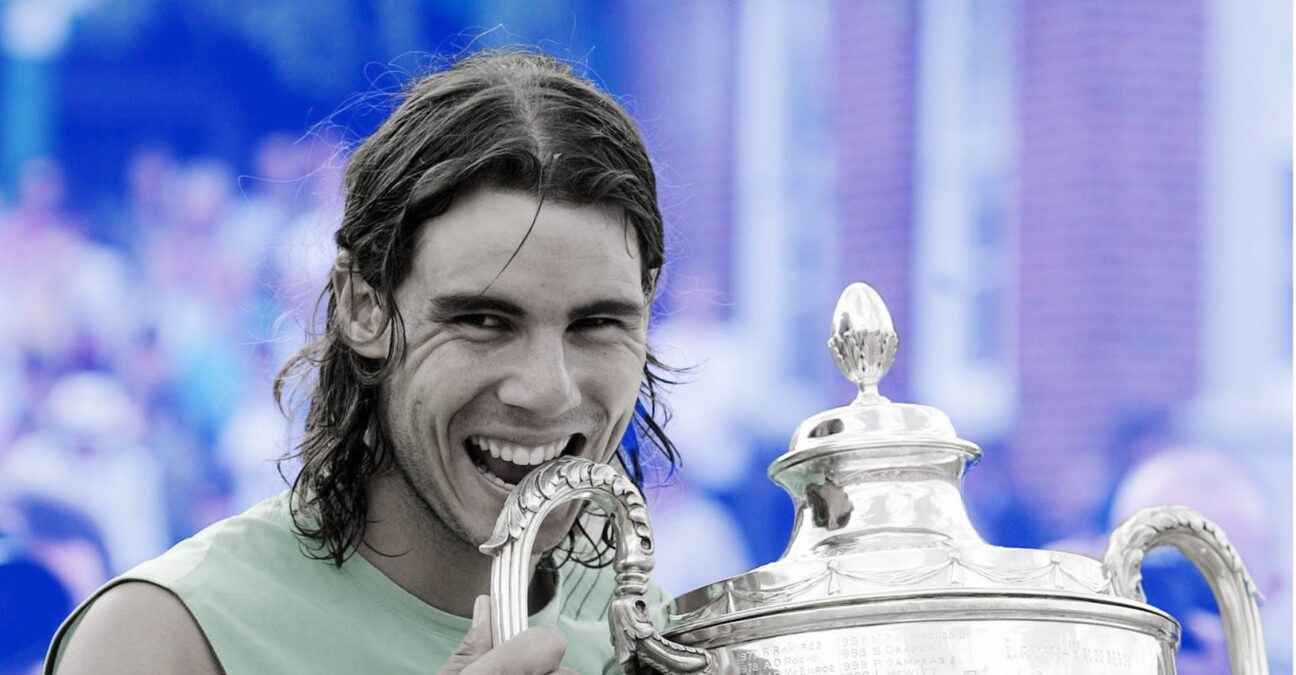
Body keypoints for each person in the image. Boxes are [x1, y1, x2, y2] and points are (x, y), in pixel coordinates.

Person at [45, 50, 680, 674]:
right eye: (483, 321)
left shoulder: (650, 631)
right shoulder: (161, 640)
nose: (547, 391)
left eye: (597, 323)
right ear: (362, 306)